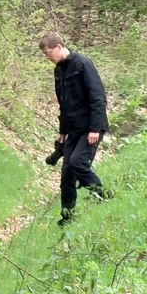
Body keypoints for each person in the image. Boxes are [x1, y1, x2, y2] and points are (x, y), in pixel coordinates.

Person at [39, 32, 112, 226]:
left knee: (78, 163)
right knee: (67, 175)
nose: (48, 57)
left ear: (60, 46)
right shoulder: (58, 71)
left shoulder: (83, 64)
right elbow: (64, 104)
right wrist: (62, 134)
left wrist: (95, 129)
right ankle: (68, 216)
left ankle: (104, 196)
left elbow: (98, 97)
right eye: (45, 55)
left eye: (49, 53)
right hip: (72, 129)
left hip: (91, 128)